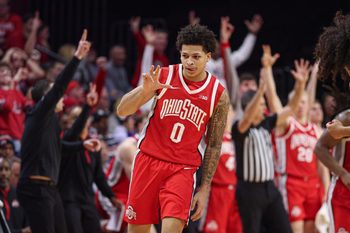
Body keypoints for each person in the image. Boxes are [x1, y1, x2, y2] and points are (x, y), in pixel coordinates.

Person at [117, 24, 230, 233]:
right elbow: (122, 110)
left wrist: (204, 189)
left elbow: (214, 145)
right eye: (185, 55)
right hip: (148, 161)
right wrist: (144, 91)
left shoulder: (218, 94)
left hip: (182, 169)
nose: (189, 61)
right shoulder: (164, 76)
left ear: (208, 57)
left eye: (196, 57)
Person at [16, 30, 99, 233]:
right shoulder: (39, 113)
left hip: (50, 189)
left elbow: (59, 146)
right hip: (35, 187)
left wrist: (82, 144)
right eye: (55, 94)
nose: (62, 97)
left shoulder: (50, 121)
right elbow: (60, 86)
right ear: (46, 98)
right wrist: (77, 57)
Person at [261, 45, 329, 233]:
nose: (301, 106)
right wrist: (267, 71)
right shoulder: (286, 124)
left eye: (304, 103)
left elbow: (322, 166)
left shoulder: (315, 130)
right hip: (291, 184)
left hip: (314, 185)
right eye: (297, 102)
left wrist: (326, 191)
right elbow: (273, 99)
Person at [314, 11, 350, 233]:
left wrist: (343, 131)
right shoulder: (346, 115)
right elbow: (319, 147)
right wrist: (343, 173)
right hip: (344, 195)